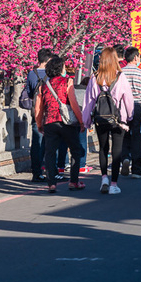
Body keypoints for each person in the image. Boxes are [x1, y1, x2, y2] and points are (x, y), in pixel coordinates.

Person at [82, 48, 134, 195]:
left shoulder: (95, 78)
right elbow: (128, 100)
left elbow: (89, 102)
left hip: (100, 118)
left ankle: (104, 178)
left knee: (103, 149)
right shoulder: (120, 77)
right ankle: (113, 184)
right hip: (118, 120)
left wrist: (86, 122)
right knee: (117, 150)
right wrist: (128, 117)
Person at [34, 57, 86, 192]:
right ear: (60, 69)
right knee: (75, 150)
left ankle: (51, 183)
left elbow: (39, 108)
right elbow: (73, 103)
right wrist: (81, 121)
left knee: (50, 153)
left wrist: (39, 124)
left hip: (50, 122)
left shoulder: (43, 86)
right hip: (66, 122)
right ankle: (73, 181)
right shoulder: (68, 82)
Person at [120, 47, 141, 178]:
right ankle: (137, 170)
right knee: (137, 138)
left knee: (123, 135)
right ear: (135, 58)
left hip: (122, 107)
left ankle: (125, 158)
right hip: (137, 106)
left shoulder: (119, 73)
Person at [26, 49, 53, 182]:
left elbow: (30, 92)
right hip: (50, 112)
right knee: (50, 143)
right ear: (48, 60)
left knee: (36, 143)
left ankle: (36, 173)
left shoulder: (32, 73)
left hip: (36, 111)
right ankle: (49, 171)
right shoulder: (51, 74)